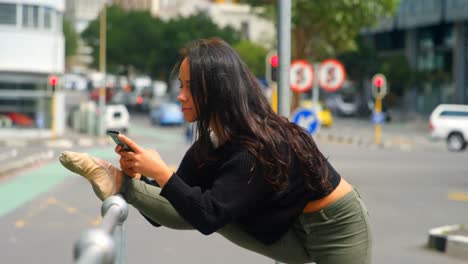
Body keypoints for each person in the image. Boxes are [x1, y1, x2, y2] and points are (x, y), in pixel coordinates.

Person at [60, 38, 372, 264]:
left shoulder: (258, 148)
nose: (180, 96)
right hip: (289, 224)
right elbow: (174, 207)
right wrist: (140, 175)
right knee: (193, 201)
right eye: (179, 86)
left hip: (336, 226)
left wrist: (161, 173)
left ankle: (119, 183)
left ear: (216, 89)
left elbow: (208, 217)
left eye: (188, 87)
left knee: (209, 209)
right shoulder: (211, 146)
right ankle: (119, 181)